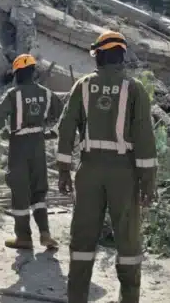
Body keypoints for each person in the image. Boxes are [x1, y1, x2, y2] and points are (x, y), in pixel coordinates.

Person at [55, 30, 158, 303]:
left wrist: (63, 169)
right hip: (124, 173)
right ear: (122, 57)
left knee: (82, 239)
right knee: (128, 241)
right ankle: (129, 298)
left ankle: (77, 297)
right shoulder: (134, 89)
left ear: (98, 56)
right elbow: (145, 138)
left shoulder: (83, 86)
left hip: (89, 170)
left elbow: (66, 129)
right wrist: (148, 181)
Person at [0, 53, 63, 250]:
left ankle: (24, 237)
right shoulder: (46, 94)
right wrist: (52, 132)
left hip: (19, 145)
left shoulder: (13, 94)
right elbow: (65, 113)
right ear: (33, 72)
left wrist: (5, 131)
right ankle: (45, 233)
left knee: (20, 190)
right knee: (39, 191)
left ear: (17, 74)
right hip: (38, 145)